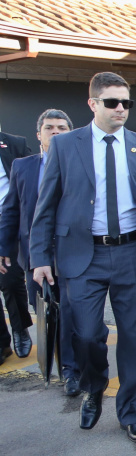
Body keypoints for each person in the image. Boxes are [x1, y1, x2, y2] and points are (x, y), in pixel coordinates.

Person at [30, 71, 136, 443]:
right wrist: (39, 257)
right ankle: (94, 386)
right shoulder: (66, 146)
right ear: (93, 104)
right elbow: (45, 206)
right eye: (112, 102)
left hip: (130, 252)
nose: (121, 109)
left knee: (133, 336)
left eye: (126, 103)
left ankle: (130, 410)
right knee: (85, 335)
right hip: (81, 255)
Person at [0, 109, 80, 394]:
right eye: (49, 128)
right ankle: (65, 366)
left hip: (75, 254)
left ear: (72, 133)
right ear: (39, 135)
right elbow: (11, 210)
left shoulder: (83, 164)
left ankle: (72, 371)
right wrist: (4, 248)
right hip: (36, 257)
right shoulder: (23, 166)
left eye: (61, 127)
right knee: (49, 313)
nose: (55, 132)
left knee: (74, 314)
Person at [0, 123, 33, 362]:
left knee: (10, 280)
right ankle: (2, 344)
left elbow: (30, 182)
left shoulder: (14, 144)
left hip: (7, 220)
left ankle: (20, 327)